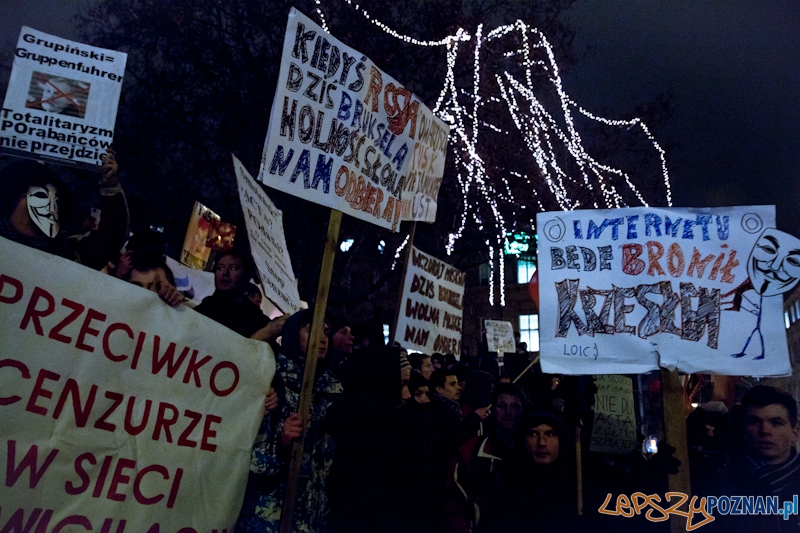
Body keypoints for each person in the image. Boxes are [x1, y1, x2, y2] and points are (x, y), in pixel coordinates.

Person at [236, 310, 342, 533]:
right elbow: (250, 457)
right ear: (293, 334)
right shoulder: (270, 379)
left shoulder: (335, 393)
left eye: (326, 331)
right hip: (271, 518)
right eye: (310, 328)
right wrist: (282, 444)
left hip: (314, 520)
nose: (322, 337)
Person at [326, 346, 438, 533]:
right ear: (380, 382)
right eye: (401, 384)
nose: (407, 395)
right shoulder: (358, 434)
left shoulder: (402, 427)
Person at [0, 152, 129, 269]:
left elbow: (110, 238)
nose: (48, 209)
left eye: (56, 202)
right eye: (39, 196)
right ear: (9, 197)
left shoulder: (68, 255)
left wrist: (109, 183)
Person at [710, 385, 800, 532]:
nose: (764, 431)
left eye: (776, 423)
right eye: (755, 422)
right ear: (745, 430)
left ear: (794, 433)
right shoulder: (718, 481)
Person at [474, 408, 581, 532]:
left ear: (560, 441)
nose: (541, 442)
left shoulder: (574, 488)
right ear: (523, 441)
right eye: (533, 434)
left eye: (550, 434)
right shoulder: (504, 486)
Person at [444, 383, 526, 532]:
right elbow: (455, 505)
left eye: (515, 406)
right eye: (502, 406)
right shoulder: (471, 452)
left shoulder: (534, 451)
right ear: (492, 410)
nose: (508, 412)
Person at [193, 249, 287, 340]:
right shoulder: (205, 309)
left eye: (233, 268)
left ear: (245, 276)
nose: (225, 273)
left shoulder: (256, 318)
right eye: (220, 268)